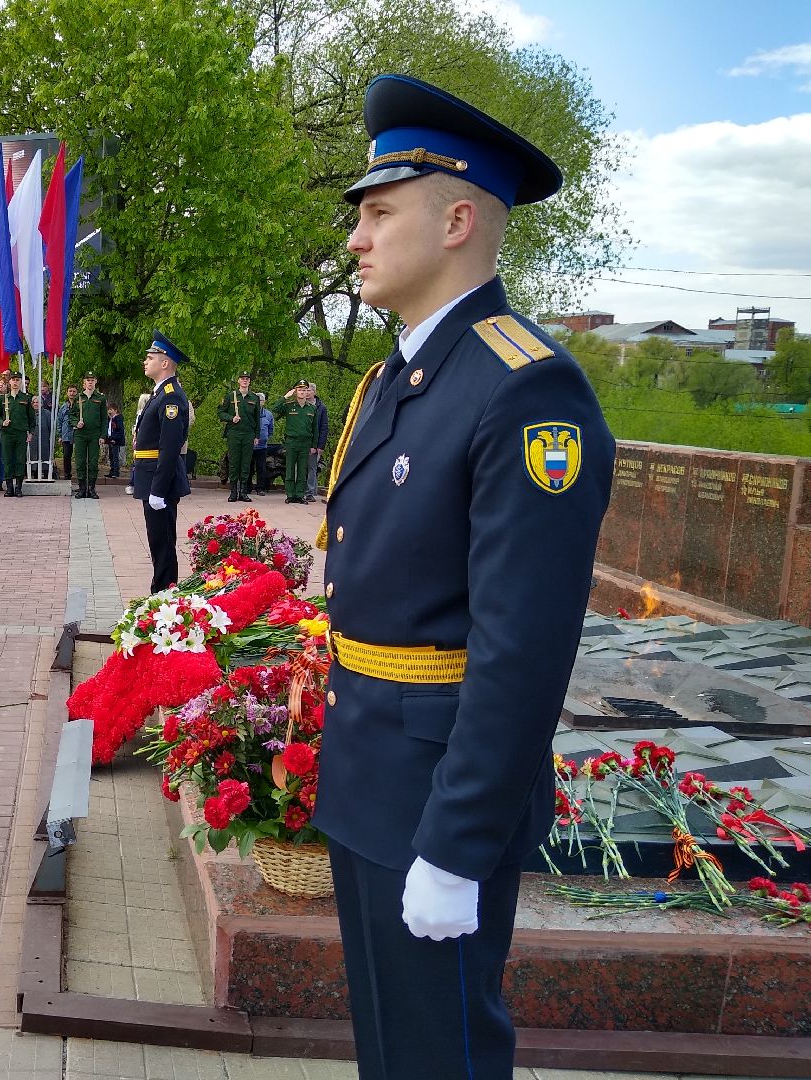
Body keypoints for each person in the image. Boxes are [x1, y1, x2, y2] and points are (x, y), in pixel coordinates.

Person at [311, 74, 614, 1080]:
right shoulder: (399, 374)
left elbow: (522, 649)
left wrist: (457, 843)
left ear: (454, 219)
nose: (355, 237)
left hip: (434, 799)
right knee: (392, 1053)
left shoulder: (527, 387)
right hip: (370, 772)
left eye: (378, 211)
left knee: (439, 1058)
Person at [132, 332, 191, 592]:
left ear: (165, 363)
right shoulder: (159, 394)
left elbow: (169, 448)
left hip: (160, 480)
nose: (146, 361)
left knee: (163, 542)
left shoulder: (171, 397)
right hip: (151, 475)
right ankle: (161, 593)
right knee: (157, 541)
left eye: (151, 357)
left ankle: (164, 594)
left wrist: (157, 489)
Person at [272, 380, 318, 503]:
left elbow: (315, 429)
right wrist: (285, 396)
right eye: (300, 390)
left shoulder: (312, 408)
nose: (302, 392)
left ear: (307, 392)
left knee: (303, 470)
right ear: (295, 392)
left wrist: (314, 445)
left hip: (305, 443)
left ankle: (299, 495)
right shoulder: (289, 406)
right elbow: (275, 408)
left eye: (304, 390)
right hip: (291, 442)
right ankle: (290, 495)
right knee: (290, 469)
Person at [218, 371, 260, 502]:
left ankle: (243, 491)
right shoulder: (231, 396)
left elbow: (257, 418)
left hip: (248, 434)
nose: (245, 381)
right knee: (234, 462)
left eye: (247, 379)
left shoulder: (254, 398)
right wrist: (231, 418)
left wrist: (256, 435)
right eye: (242, 378)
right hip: (234, 433)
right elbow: (220, 412)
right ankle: (233, 491)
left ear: (250, 381)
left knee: (246, 463)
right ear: (238, 381)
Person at [71, 373, 107, 499]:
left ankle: (91, 489)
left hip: (94, 434)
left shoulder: (101, 398)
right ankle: (82, 488)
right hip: (81, 434)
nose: (90, 382)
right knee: (80, 462)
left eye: (92, 380)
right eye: (88, 380)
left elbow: (104, 419)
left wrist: (103, 435)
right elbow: (72, 415)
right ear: (84, 382)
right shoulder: (78, 398)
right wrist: (76, 423)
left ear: (95, 382)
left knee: (93, 462)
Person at [0, 372, 33, 497]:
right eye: (13, 380)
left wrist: (31, 432)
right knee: (7, 460)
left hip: (21, 433)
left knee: (20, 460)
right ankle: (9, 488)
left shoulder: (26, 398)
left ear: (21, 382)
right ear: (9, 382)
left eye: (18, 380)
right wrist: (1, 422)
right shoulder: (4, 398)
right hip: (7, 433)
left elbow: (31, 418)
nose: (15, 382)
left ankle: (18, 487)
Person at [56, 386, 78, 482]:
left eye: (74, 391)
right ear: (67, 393)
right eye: (70, 391)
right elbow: (59, 420)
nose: (72, 393)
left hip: (77, 433)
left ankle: (80, 474)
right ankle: (67, 474)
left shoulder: (79, 404)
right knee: (66, 455)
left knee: (79, 455)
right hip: (66, 434)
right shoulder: (63, 406)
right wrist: (60, 435)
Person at [252, 391, 272, 495]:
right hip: (250, 446)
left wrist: (265, 438)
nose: (259, 402)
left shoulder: (268, 414)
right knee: (249, 467)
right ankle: (247, 487)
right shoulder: (250, 413)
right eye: (257, 400)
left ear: (264, 402)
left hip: (262, 446)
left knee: (261, 468)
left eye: (261, 400)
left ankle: (260, 488)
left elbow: (270, 429)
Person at [105, 404, 124, 480]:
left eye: (111, 409)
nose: (109, 411)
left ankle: (116, 472)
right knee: (111, 456)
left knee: (115, 456)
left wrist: (114, 438)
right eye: (108, 409)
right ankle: (112, 471)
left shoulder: (118, 419)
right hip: (110, 439)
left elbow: (119, 430)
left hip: (115, 441)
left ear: (115, 410)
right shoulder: (111, 419)